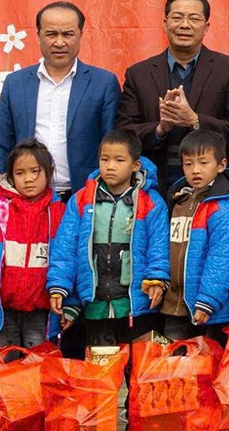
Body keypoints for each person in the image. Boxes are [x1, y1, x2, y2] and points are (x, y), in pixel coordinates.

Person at [116, 0, 229, 190]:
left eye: (194, 18)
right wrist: (160, 129)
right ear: (165, 23)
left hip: (210, 189)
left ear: (206, 27)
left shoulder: (228, 70)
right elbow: (123, 132)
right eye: (177, 18)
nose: (184, 25)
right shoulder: (139, 73)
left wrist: (194, 120)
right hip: (152, 188)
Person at [48, 129, 169, 356]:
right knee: (101, 373)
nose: (110, 166)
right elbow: (65, 249)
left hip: (136, 305)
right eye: (105, 159)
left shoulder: (150, 201)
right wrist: (59, 287)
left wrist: (158, 279)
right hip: (96, 305)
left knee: (138, 372)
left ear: (136, 165)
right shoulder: (81, 199)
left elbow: (159, 246)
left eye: (119, 160)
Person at [0, 1, 121, 201]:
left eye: (68, 34)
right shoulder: (15, 83)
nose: (59, 42)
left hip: (85, 197)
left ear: (80, 35)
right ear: (39, 36)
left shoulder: (103, 83)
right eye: (51, 34)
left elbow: (112, 143)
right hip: (26, 199)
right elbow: (1, 143)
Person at [0, 139, 65, 349]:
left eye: (35, 171)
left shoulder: (59, 212)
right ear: (10, 175)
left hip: (41, 308)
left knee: (37, 366)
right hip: (1, 309)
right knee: (3, 368)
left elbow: (66, 260)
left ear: (50, 171)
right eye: (20, 173)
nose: (28, 179)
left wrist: (68, 302)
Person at [167, 129, 229, 340]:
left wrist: (208, 300)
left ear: (221, 165)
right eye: (188, 164)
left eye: (203, 163)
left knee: (207, 365)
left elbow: (222, 258)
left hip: (209, 308)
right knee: (173, 366)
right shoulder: (179, 200)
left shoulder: (223, 207)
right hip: (175, 304)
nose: (195, 170)